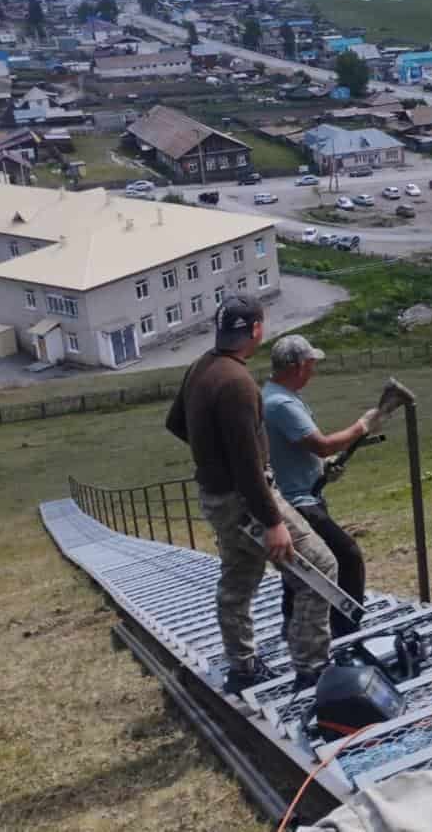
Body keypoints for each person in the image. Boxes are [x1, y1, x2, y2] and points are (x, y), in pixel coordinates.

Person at [166, 296, 338, 695]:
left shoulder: (201, 368)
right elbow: (247, 466)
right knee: (320, 568)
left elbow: (175, 422)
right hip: (248, 500)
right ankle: (312, 668)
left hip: (214, 499)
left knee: (238, 580)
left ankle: (242, 667)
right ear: (257, 329)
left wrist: (212, 456)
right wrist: (274, 523)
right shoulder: (239, 384)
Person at [263, 335, 379, 638]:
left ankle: (290, 627)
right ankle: (346, 631)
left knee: (299, 571)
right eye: (311, 364)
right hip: (297, 501)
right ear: (298, 366)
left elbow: (299, 452)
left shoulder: (274, 395)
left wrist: (322, 472)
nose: (313, 371)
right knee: (347, 557)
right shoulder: (281, 404)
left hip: (302, 492)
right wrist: (361, 426)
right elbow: (322, 446)